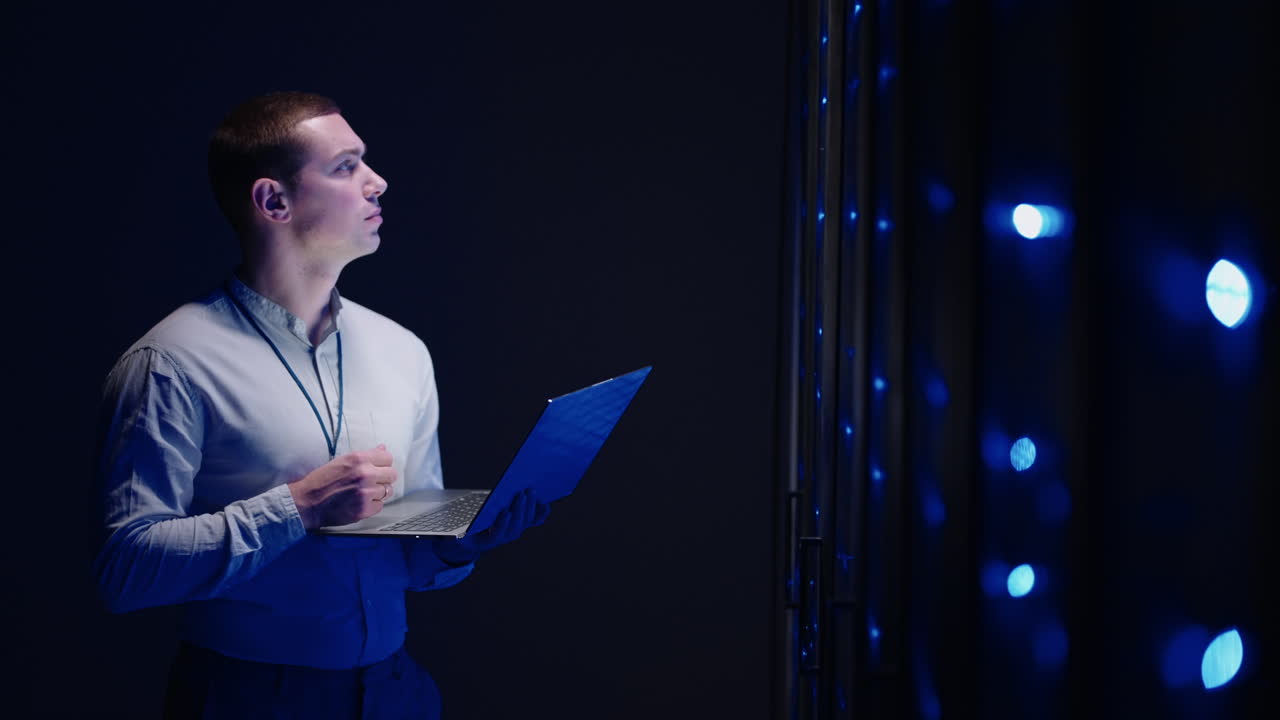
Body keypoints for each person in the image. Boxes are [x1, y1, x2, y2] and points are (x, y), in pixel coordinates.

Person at [92, 90, 548, 719]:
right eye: (346, 166)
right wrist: (298, 507)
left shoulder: (404, 350)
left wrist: (458, 543)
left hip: (396, 693)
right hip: (247, 700)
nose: (377, 182)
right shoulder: (171, 362)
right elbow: (124, 572)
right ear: (273, 201)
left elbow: (407, 558)